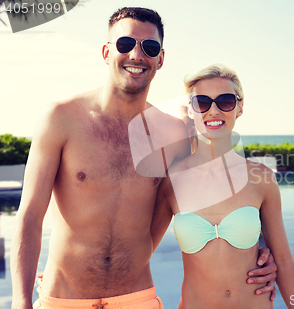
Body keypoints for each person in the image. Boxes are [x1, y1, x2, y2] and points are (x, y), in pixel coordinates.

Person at [10, 7, 277, 309]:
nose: (137, 55)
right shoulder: (61, 119)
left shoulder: (175, 134)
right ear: (106, 51)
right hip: (64, 300)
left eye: (149, 47)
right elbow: (29, 218)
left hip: (138, 299)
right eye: (125, 44)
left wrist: (262, 252)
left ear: (160, 59)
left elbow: (215, 199)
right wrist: (21, 302)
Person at [151, 64, 294, 309]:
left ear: (240, 107)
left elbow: (284, 260)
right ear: (191, 109)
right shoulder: (172, 182)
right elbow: (141, 253)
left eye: (225, 101)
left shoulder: (261, 178)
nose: (213, 111)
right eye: (202, 102)